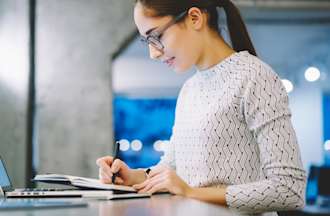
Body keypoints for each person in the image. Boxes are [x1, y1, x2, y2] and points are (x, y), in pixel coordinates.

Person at [96, 0, 306, 215]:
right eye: (147, 41)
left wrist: (191, 192)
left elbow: (289, 189)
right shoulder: (189, 89)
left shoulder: (254, 77)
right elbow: (172, 167)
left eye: (156, 36)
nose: (153, 53)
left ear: (195, 18)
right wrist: (133, 177)